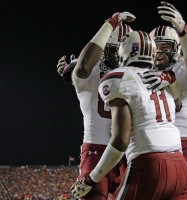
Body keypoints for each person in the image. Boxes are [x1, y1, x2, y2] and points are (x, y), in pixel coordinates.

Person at [71, 30, 187, 200]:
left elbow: (120, 141)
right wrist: (171, 79)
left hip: (149, 163)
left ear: (125, 51)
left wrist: (91, 179)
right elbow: (178, 104)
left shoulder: (120, 78)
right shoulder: (162, 78)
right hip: (180, 168)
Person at [56, 12, 135, 200]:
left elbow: (82, 66)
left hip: (114, 148)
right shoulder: (135, 74)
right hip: (112, 148)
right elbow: (82, 67)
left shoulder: (89, 70)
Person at [142, 1, 187, 199]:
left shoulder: (184, 65)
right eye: (156, 47)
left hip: (186, 141)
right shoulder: (143, 72)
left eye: (165, 46)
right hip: (154, 146)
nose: (159, 52)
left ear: (177, 48)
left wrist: (183, 31)